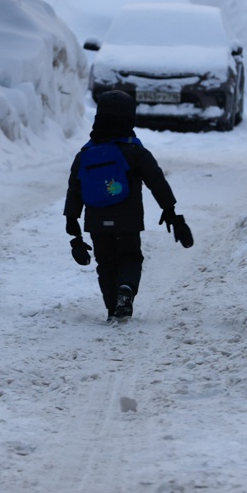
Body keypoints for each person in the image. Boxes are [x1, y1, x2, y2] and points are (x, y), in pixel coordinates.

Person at [63, 91, 192, 322]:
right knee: (130, 257)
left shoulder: (85, 154)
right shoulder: (135, 152)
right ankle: (126, 288)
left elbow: (75, 190)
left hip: (97, 221)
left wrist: (72, 223)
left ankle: (113, 308)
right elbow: (157, 181)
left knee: (105, 263)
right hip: (128, 220)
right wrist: (171, 213)